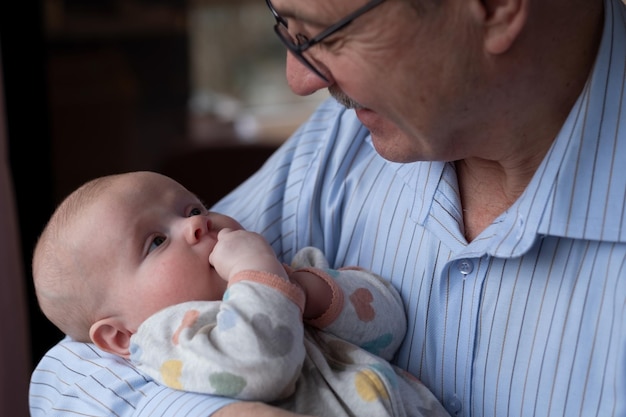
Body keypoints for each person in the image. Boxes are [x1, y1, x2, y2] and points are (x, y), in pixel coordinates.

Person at [29, 0, 625, 416]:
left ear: (493, 5)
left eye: (321, 32)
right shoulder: (338, 146)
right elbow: (65, 371)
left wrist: (310, 293)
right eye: (282, 25)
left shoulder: (254, 270)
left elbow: (386, 317)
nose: (298, 78)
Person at [32, 171, 450, 417]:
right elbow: (264, 367)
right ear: (121, 337)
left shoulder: (286, 274)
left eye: (192, 208)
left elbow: (390, 324)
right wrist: (259, 277)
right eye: (156, 241)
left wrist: (305, 288)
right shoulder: (171, 340)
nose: (197, 225)